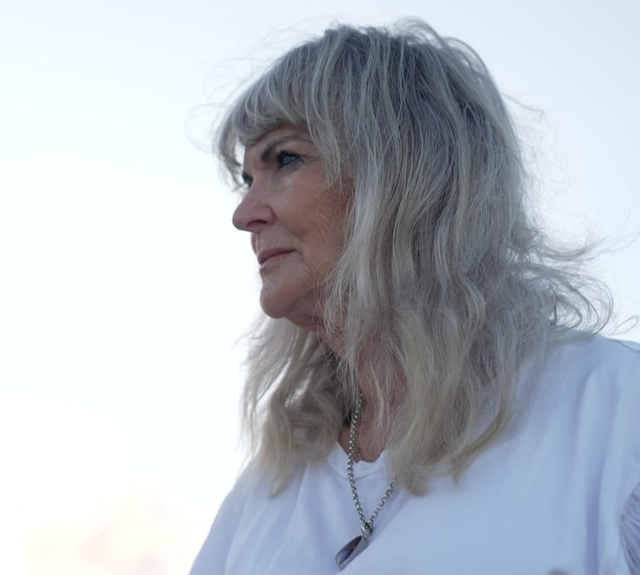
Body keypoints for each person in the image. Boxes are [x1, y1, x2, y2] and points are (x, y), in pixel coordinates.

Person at [190, 21, 640, 574]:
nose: (244, 215)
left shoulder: (613, 415)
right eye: (246, 178)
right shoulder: (268, 491)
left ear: (402, 173)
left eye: (284, 160)